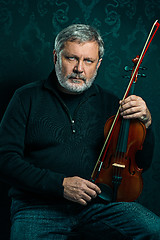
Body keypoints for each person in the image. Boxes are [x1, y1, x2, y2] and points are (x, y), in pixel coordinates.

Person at [0, 24, 159, 240]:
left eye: (88, 61)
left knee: (154, 229)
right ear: (56, 57)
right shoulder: (25, 98)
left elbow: (142, 162)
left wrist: (146, 125)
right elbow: (5, 160)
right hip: (37, 208)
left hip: (98, 206)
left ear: (98, 64)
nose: (79, 68)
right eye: (72, 58)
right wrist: (60, 185)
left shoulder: (113, 104)